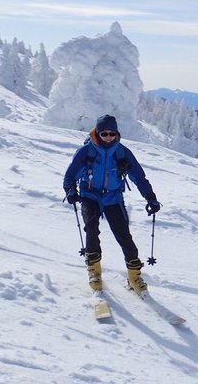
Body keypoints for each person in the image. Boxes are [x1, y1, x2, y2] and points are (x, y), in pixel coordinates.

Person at [63, 114, 161, 295]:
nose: (108, 137)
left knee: (124, 235)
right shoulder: (86, 151)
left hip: (113, 198)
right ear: (98, 133)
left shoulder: (122, 152)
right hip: (90, 196)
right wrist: (70, 190)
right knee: (91, 229)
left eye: (112, 134)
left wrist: (150, 197)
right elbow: (70, 175)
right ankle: (94, 271)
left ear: (117, 134)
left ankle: (134, 276)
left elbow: (139, 177)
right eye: (104, 134)